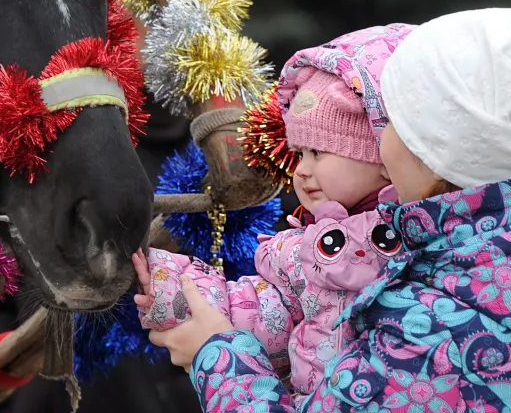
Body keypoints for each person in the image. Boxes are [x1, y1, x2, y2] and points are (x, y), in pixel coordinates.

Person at [144, 8, 511, 412]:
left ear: (429, 150)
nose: (378, 144)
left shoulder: (431, 331)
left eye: (389, 126)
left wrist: (218, 356)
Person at [132, 24, 416, 397]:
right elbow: (268, 316)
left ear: (381, 152)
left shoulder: (423, 234)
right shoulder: (300, 250)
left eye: (319, 152)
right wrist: (176, 287)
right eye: (298, 153)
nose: (301, 170)